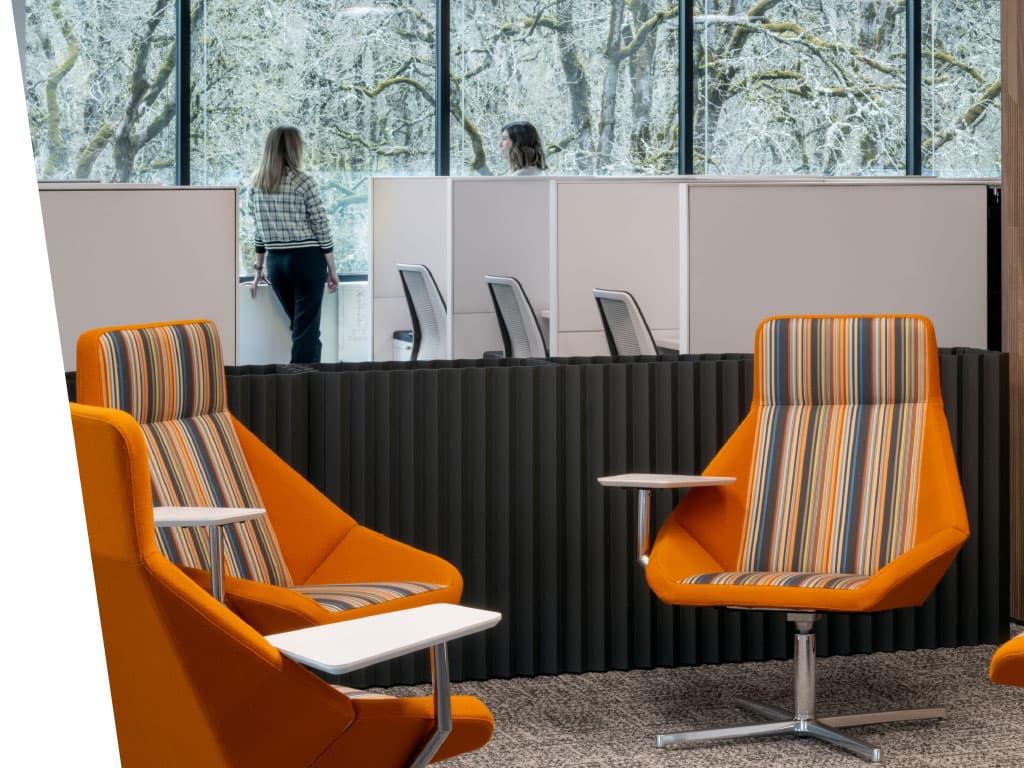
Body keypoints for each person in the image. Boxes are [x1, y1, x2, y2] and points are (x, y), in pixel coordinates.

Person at [248, 125, 339, 364]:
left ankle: (310, 387)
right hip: (306, 259)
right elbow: (321, 225)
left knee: (304, 332)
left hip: (277, 264)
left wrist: (258, 271)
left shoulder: (256, 185)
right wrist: (332, 267)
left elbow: (258, 231)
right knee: (305, 332)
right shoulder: (304, 182)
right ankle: (299, 390)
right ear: (293, 148)